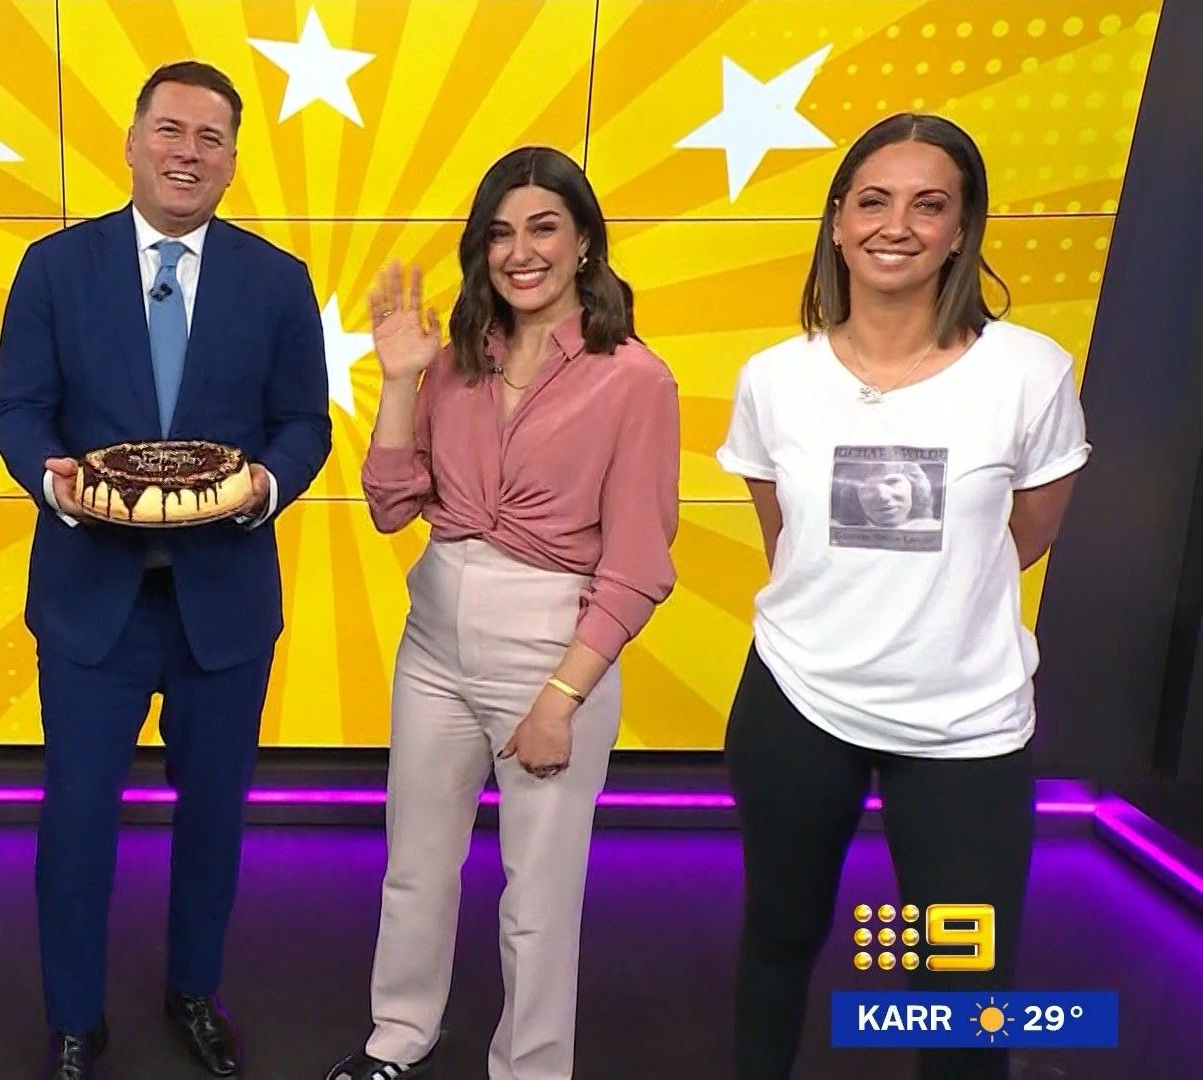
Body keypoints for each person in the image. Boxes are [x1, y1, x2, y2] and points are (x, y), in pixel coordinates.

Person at [716, 113, 1090, 1080]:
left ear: (962, 230)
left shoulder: (1030, 372)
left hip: (966, 726)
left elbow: (1027, 533)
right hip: (798, 703)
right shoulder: (775, 379)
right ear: (838, 221)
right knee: (778, 938)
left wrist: (936, 602)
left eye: (930, 206)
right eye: (874, 201)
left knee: (965, 988)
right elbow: (786, 541)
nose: (897, 225)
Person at [0, 61, 331, 1079]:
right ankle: (74, 1019)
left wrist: (264, 488)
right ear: (133, 142)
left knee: (215, 817)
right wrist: (54, 484)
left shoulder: (276, 280)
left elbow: (304, 423)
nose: (188, 152)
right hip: (90, 600)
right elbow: (17, 410)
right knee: (77, 819)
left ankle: (193, 989)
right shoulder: (55, 268)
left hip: (225, 602)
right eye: (170, 130)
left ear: (232, 160)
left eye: (210, 137)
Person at [328, 145, 680, 1080]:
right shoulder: (455, 362)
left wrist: (561, 699)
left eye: (543, 228)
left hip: (552, 653)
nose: (520, 253)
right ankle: (399, 1035)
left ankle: (532, 1067)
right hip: (433, 645)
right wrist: (398, 382)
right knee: (415, 865)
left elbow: (638, 567)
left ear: (585, 242)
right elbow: (392, 506)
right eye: (499, 234)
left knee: (538, 896)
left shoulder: (636, 380)